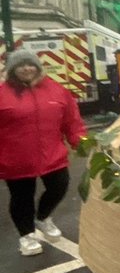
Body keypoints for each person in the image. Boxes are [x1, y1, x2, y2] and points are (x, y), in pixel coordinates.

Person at [0, 48, 86, 256]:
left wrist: (81, 142)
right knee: (22, 197)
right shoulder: (3, 94)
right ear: (12, 70)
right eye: (20, 65)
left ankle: (43, 217)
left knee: (60, 186)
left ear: (38, 67)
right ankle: (26, 236)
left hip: (53, 154)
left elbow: (71, 121)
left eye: (30, 64)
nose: (26, 69)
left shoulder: (56, 91)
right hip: (16, 158)